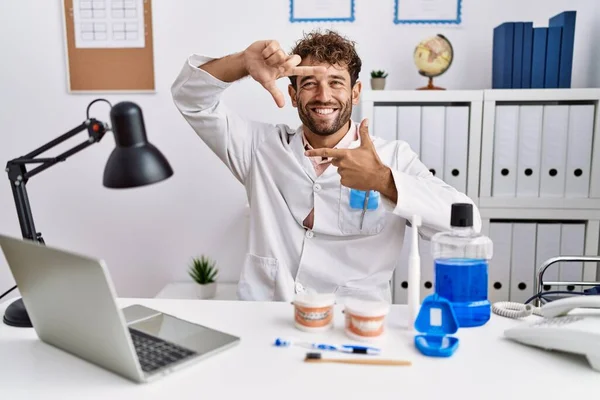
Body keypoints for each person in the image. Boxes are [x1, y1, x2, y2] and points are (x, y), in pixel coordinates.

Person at [171, 29, 481, 303]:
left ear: (355, 93)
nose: (324, 96)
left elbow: (466, 222)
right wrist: (242, 62)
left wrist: (383, 180)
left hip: (353, 324)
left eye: (336, 82)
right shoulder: (258, 148)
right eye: (309, 83)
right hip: (266, 318)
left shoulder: (393, 157)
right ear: (293, 95)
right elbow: (190, 97)